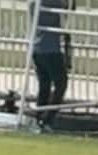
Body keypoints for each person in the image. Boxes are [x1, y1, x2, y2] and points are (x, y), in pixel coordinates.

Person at [28, 0, 70, 132]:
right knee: (61, 84)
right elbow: (65, 5)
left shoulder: (34, 3)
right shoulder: (52, 2)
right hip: (51, 49)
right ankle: (47, 119)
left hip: (37, 49)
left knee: (44, 85)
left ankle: (40, 117)